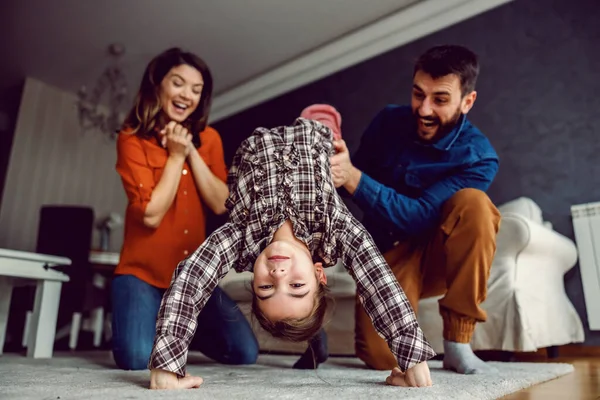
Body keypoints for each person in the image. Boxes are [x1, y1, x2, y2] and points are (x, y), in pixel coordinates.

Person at [147, 106, 436, 390]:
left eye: (265, 288)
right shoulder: (334, 228)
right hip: (315, 138)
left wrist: (167, 364)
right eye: (296, 284)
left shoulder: (240, 237)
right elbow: (375, 278)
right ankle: (325, 125)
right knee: (324, 121)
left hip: (253, 152)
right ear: (318, 273)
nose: (279, 274)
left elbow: (192, 278)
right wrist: (413, 359)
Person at [330, 44, 501, 375]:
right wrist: (334, 163)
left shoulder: (479, 156)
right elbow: (354, 184)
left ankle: (457, 344)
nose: (423, 109)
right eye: (418, 94)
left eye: (439, 99)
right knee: (384, 359)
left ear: (467, 102)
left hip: (440, 252)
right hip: (387, 253)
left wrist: (353, 178)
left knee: (476, 205)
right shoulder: (387, 122)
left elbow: (419, 215)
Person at [112, 47, 259, 371]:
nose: (187, 95)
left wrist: (189, 149)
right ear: (157, 84)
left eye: (196, 90)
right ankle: (157, 327)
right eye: (178, 83)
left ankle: (179, 332)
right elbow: (150, 214)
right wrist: (175, 157)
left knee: (244, 352)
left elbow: (222, 202)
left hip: (194, 276)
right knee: (136, 358)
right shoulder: (132, 139)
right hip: (142, 275)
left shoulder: (209, 139)